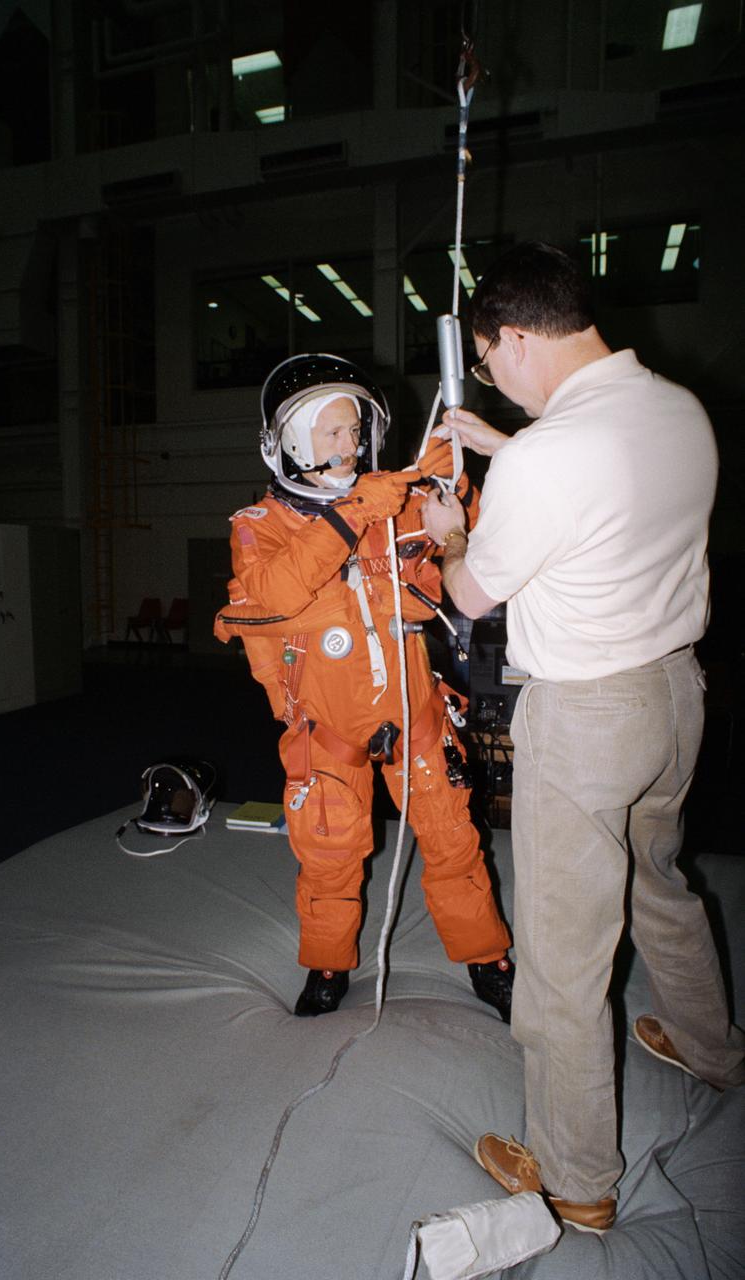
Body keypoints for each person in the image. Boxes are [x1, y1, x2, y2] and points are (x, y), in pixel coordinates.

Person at [422, 240, 745, 1234]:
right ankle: (711, 1045)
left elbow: (467, 597)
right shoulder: (677, 408)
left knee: (564, 957)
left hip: (585, 717)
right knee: (659, 876)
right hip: (674, 697)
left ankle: (574, 1176)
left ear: (508, 337)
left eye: (486, 359)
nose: (490, 374)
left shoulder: (548, 458)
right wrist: (506, 443)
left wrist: (446, 529)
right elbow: (599, 486)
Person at [214, 353, 514, 1020]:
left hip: (418, 718)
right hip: (329, 730)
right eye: (331, 433)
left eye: (355, 431)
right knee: (329, 853)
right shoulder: (259, 528)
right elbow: (274, 593)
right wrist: (350, 516)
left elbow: (480, 545)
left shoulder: (394, 505)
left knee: (453, 842)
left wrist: (455, 488)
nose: (349, 446)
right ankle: (328, 965)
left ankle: (488, 962)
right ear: (291, 439)